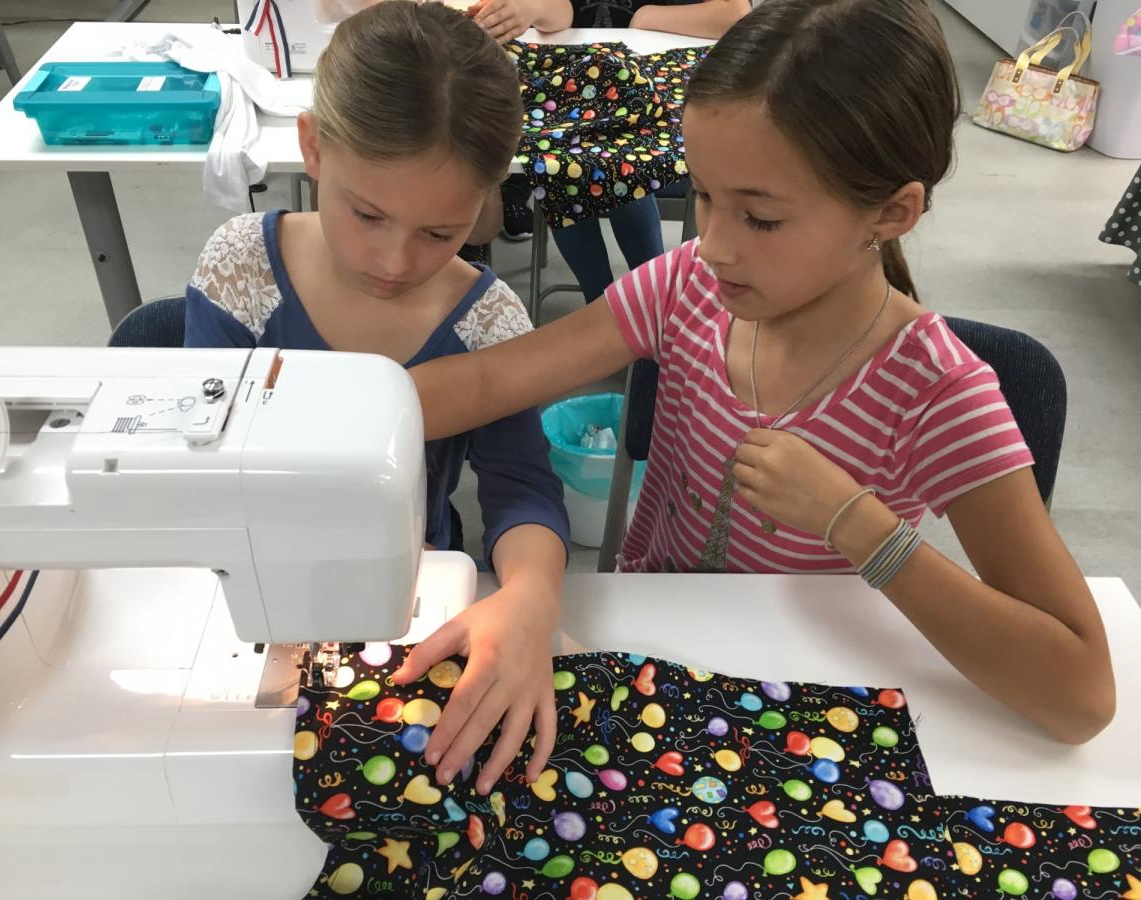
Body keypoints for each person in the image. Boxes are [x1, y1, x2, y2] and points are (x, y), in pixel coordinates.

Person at [409, 0, 1116, 744]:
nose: (712, 243)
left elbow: (1081, 694)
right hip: (661, 662)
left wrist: (858, 525)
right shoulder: (687, 287)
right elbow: (490, 383)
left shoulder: (935, 392)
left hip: (810, 706)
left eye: (763, 219)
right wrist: (325, 416)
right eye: (705, 197)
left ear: (892, 212)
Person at [184, 0, 570, 794]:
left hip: (408, 583)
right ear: (314, 147)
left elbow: (523, 487)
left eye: (440, 233)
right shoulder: (240, 274)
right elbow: (203, 468)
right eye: (367, 215)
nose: (395, 260)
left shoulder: (489, 320)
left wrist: (530, 595)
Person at [483, 0, 749, 303]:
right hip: (576, 94)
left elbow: (734, 14)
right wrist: (534, 9)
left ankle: (643, 303)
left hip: (643, 95)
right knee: (565, 166)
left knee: (611, 164)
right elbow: (563, 12)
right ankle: (616, 304)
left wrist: (646, 17)